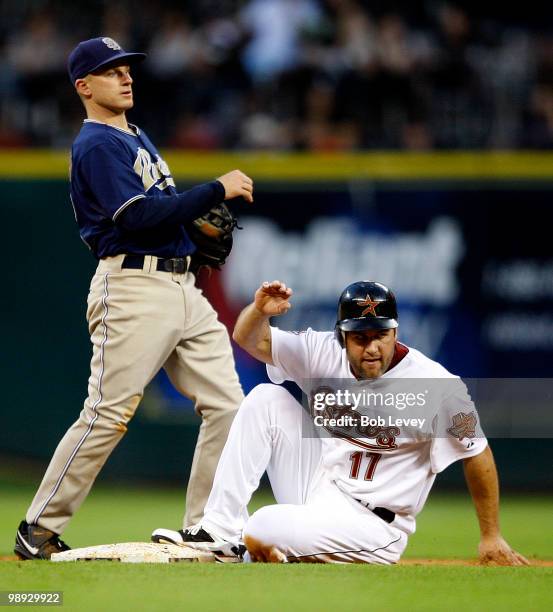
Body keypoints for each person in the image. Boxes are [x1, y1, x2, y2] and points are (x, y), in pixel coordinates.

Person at [14, 36, 252, 560]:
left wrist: (194, 239)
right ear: (84, 86)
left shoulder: (137, 136)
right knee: (107, 413)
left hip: (183, 287)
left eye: (126, 68)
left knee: (230, 407)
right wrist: (213, 189)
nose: (125, 77)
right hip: (132, 287)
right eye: (110, 71)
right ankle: (38, 526)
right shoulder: (96, 143)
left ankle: (205, 530)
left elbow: (165, 214)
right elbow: (137, 217)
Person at [151, 280, 529, 565]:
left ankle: (262, 546)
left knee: (263, 526)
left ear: (395, 331)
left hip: (375, 523)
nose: (373, 347)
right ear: (342, 336)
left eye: (381, 335)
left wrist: (491, 535)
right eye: (360, 337)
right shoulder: (321, 352)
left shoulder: (437, 387)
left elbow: (477, 452)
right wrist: (259, 311)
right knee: (265, 398)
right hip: (321, 485)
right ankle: (219, 530)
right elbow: (250, 339)